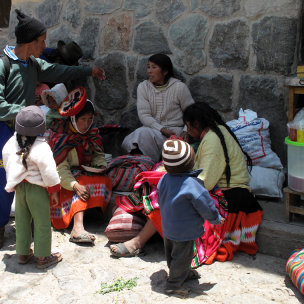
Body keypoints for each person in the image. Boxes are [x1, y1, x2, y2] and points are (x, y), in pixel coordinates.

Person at [0, 9, 106, 249]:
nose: (45, 45)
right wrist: (24, 112)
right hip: (3, 131)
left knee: (30, 179)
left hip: (27, 132)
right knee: (2, 180)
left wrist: (88, 70)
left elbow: (60, 71)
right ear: (30, 42)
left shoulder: (33, 63)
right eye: (41, 41)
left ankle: (26, 226)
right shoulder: (1, 65)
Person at [110, 102, 263, 265]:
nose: (187, 131)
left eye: (189, 127)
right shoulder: (215, 133)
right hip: (220, 190)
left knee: (171, 198)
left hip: (231, 197)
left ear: (196, 124)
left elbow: (205, 182)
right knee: (162, 183)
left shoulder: (213, 139)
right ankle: (144, 231)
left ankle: (137, 242)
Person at [157, 139, 224, 296]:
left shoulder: (164, 179)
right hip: (184, 230)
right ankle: (173, 284)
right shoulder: (193, 184)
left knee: (173, 253)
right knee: (183, 255)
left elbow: (160, 197)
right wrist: (215, 219)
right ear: (191, 163)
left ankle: (181, 272)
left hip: (168, 226)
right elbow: (206, 205)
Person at [48, 88, 112, 244]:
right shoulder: (61, 137)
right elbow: (59, 169)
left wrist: (100, 165)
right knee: (82, 183)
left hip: (81, 174)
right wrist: (75, 185)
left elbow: (98, 153)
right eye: (83, 119)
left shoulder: (91, 133)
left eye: (90, 119)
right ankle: (77, 228)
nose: (87, 124)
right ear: (73, 119)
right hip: (61, 182)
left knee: (105, 181)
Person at [2, 106, 62, 269]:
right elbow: (49, 171)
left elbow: (6, 158)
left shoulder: (11, 143)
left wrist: (13, 178)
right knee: (42, 221)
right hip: (38, 190)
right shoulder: (42, 147)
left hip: (21, 189)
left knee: (21, 221)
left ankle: (22, 253)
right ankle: (43, 256)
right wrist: (54, 190)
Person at [121, 53, 194, 162]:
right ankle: (143, 165)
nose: (149, 71)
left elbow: (191, 112)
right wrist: (161, 129)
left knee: (141, 135)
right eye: (148, 67)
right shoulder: (143, 87)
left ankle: (146, 165)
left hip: (175, 132)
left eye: (154, 67)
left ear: (165, 71)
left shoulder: (179, 88)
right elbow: (144, 115)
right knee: (133, 139)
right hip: (153, 130)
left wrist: (185, 131)